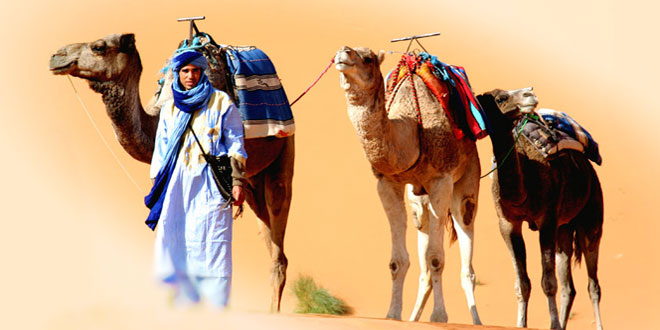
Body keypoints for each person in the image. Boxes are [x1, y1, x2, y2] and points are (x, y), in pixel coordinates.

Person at [144, 50, 247, 308]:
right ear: (178, 74)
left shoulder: (222, 103)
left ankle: (215, 306)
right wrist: (158, 183)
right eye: (185, 71)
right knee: (175, 237)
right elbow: (162, 147)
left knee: (213, 240)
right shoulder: (169, 107)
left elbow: (235, 143)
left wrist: (237, 182)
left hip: (210, 181)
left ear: (203, 73)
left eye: (195, 71)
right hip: (177, 183)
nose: (190, 76)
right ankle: (180, 301)